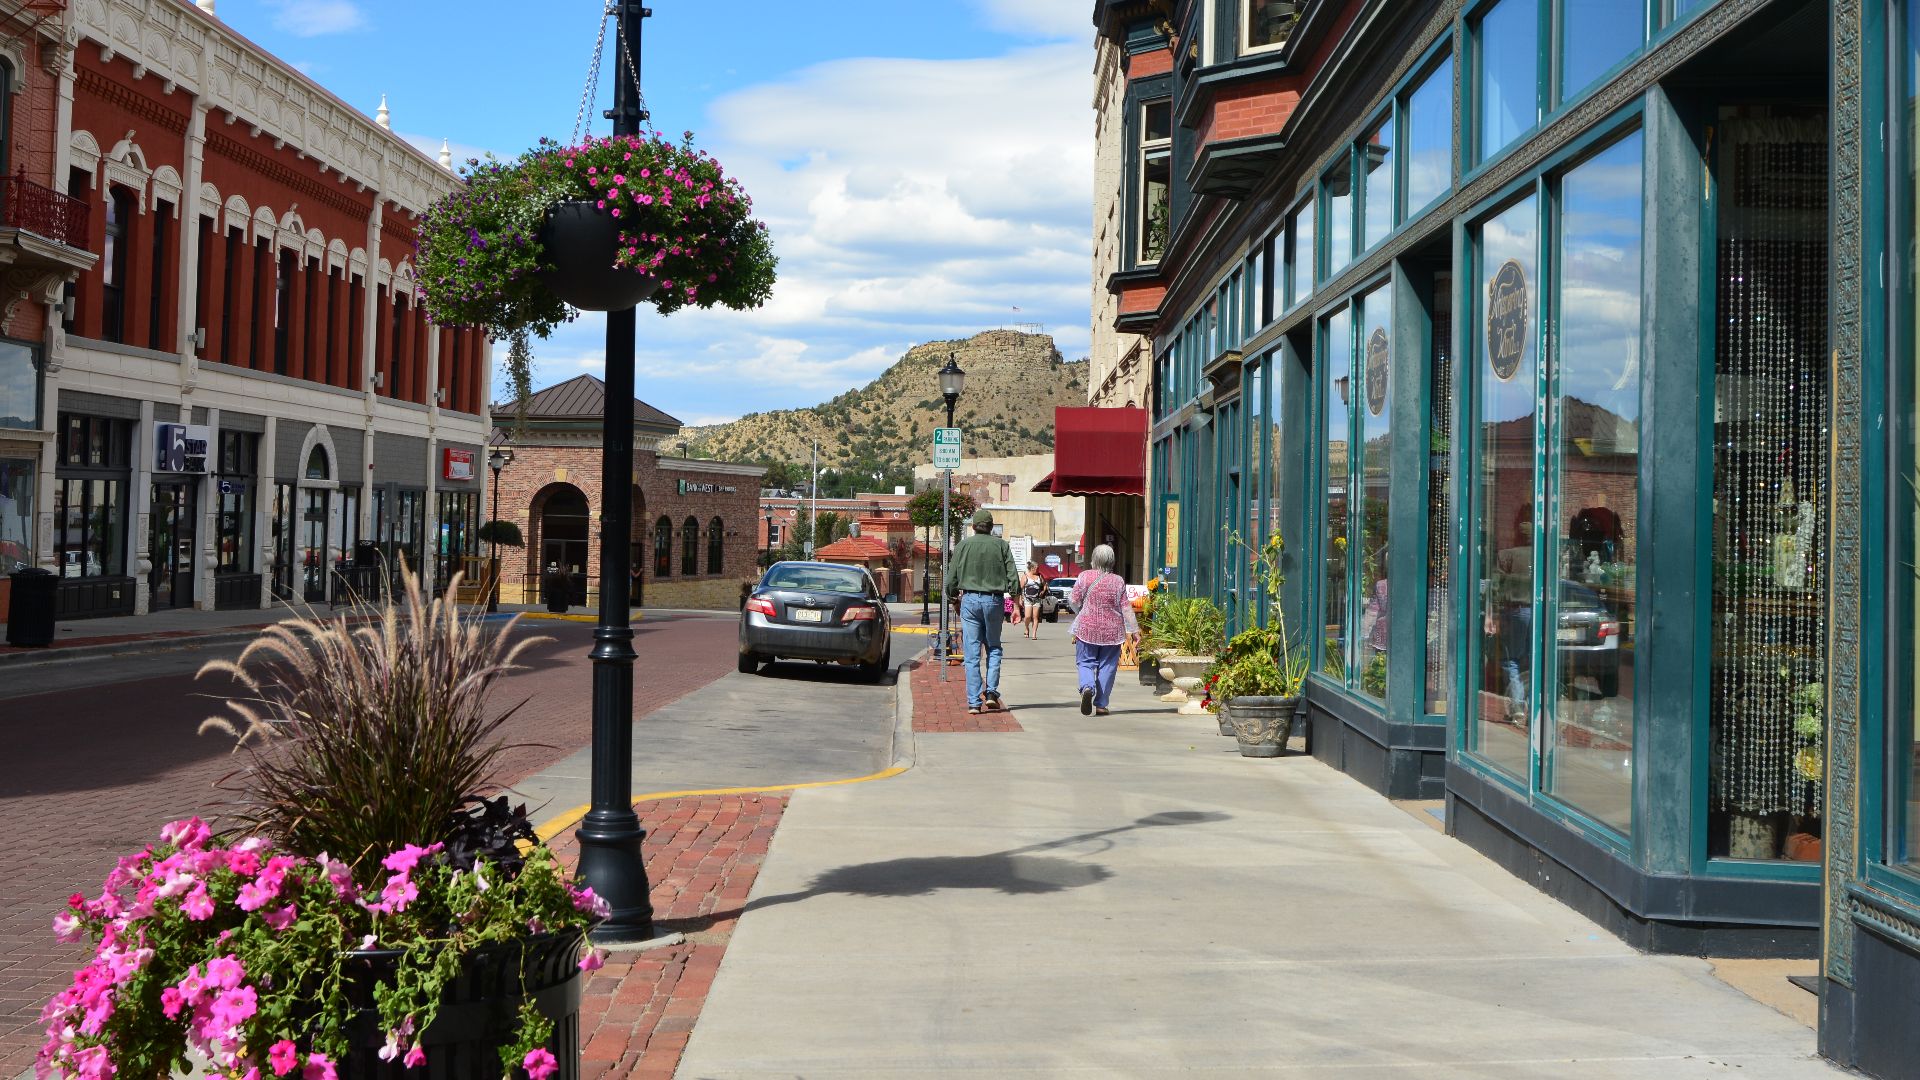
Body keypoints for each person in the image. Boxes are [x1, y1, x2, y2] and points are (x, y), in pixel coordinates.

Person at [945, 509, 1020, 714]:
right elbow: (1012, 575)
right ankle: (992, 693)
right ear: (991, 527)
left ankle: (974, 702)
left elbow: (951, 578)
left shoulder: (963, 546)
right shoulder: (1001, 545)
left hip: (969, 599)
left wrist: (953, 599)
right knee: (994, 647)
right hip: (994, 600)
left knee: (971, 652)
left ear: (973, 527)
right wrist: (1015, 602)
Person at [1069, 544, 1138, 716]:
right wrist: (1135, 630)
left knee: (1085, 662)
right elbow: (1126, 608)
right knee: (1107, 666)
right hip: (1112, 632)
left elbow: (1073, 600)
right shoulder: (1118, 581)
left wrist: (1081, 612)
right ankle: (1101, 705)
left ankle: (1087, 687)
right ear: (1112, 561)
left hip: (1086, 629)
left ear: (1094, 559)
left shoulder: (1084, 577)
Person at [1020, 561, 1046, 639]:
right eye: (1037, 569)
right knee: (1027, 616)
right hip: (1027, 598)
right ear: (1032, 568)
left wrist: (1043, 591)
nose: (1038, 570)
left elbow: (1045, 585)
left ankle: (1034, 634)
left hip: (1037, 599)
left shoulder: (1040, 576)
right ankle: (1026, 628)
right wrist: (1021, 598)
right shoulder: (1025, 576)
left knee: (1035, 617)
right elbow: (1020, 588)